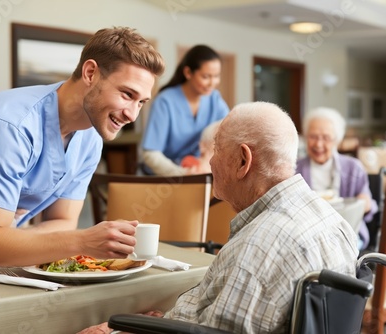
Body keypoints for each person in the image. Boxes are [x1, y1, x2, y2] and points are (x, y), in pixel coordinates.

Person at [79, 101, 359, 333]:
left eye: (216, 149)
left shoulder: (258, 246)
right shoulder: (334, 221)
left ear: (242, 161)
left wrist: (118, 331)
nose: (211, 161)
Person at [0, 27, 165, 268]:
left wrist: (10, 239)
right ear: (90, 73)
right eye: (127, 94)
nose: (132, 115)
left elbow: (63, 222)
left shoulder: (90, 138)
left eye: (141, 103)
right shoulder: (7, 124)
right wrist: (83, 240)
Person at [296, 107, 377, 250]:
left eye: (326, 138)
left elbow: (368, 205)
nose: (318, 144)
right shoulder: (294, 169)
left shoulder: (353, 168)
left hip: (347, 233)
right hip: (307, 236)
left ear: (337, 141)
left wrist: (363, 203)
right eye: (313, 136)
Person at [141, 44, 229, 176]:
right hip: (164, 174)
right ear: (188, 73)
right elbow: (150, 153)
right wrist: (182, 173)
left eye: (216, 76)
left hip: (197, 170)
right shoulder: (165, 101)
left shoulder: (214, 99)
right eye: (206, 77)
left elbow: (230, 130)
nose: (212, 83)